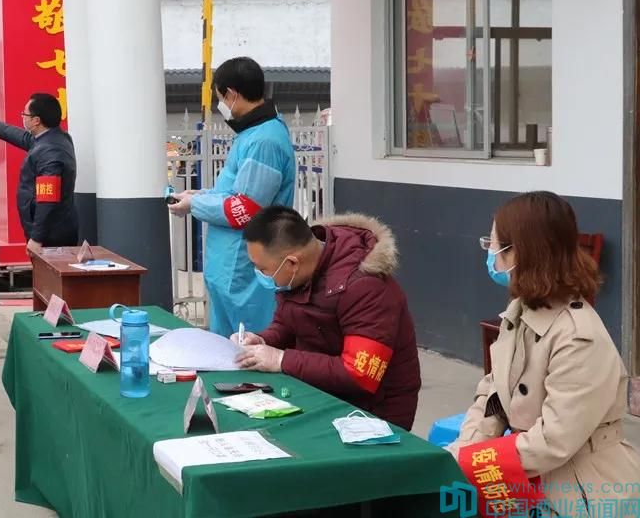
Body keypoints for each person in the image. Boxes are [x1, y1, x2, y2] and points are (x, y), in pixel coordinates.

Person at [448, 192, 640, 514]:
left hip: (584, 491)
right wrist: (462, 452)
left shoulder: (578, 337)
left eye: (494, 245)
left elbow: (554, 440)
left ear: (522, 253)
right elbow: (493, 396)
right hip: (531, 475)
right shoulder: (520, 312)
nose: (490, 254)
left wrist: (472, 462)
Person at [234, 206, 421, 430]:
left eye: (262, 269)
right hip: (321, 392)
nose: (260, 275)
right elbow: (288, 323)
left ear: (292, 263)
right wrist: (263, 341)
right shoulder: (300, 272)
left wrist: (281, 359)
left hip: (372, 414)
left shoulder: (365, 287)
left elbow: (359, 374)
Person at [167, 57, 296, 337]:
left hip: (244, 267)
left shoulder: (264, 141)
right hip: (230, 268)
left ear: (231, 94)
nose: (221, 106)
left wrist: (195, 204)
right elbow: (235, 191)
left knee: (246, 344)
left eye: (220, 98)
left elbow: (246, 208)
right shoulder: (253, 133)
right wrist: (200, 194)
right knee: (225, 344)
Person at [0, 93, 77, 255]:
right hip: (53, 229)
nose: (22, 116)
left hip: (51, 235)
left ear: (36, 120)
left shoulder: (51, 152)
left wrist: (37, 238)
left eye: (25, 114)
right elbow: (21, 137)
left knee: (49, 272)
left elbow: (47, 199)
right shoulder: (53, 137)